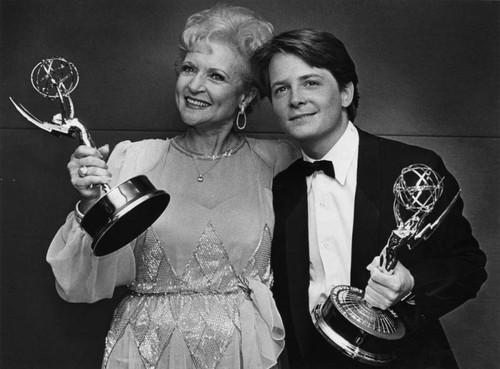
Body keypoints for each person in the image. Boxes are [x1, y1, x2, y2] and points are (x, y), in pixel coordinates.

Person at [46, 5, 299, 369]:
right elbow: (77, 284)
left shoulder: (278, 161)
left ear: (245, 97)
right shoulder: (133, 159)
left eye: (216, 76)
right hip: (144, 350)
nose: (195, 85)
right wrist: (90, 204)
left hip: (242, 354)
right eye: (188, 69)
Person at [251, 29, 487, 369]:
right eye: (281, 89)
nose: (295, 98)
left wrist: (410, 283)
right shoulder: (278, 189)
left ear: (345, 92)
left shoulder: (413, 168)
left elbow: (468, 266)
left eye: (311, 83)